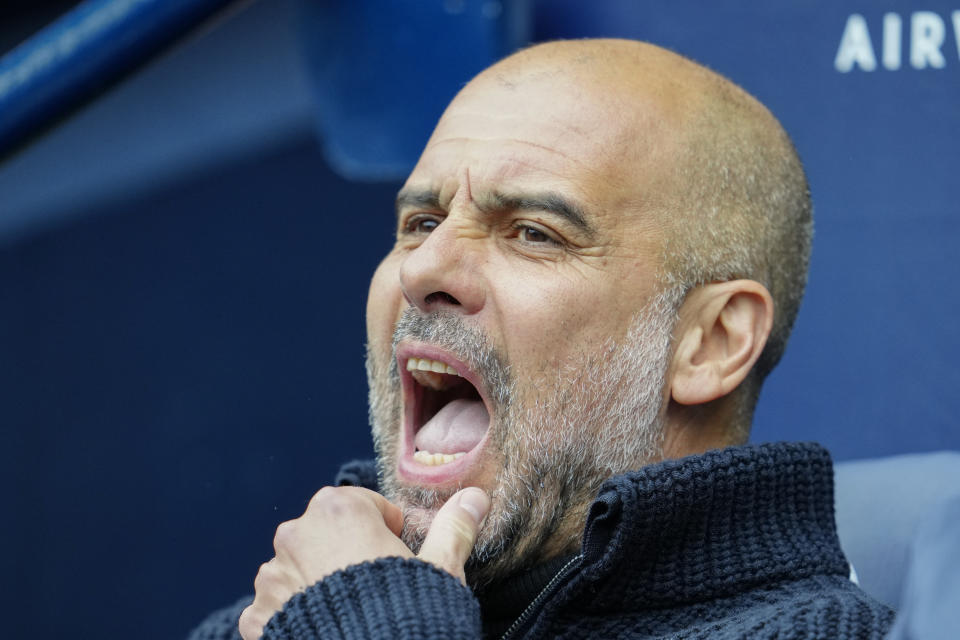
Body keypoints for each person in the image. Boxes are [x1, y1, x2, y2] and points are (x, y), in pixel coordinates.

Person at [190, 39, 894, 639]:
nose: (424, 270)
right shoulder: (276, 618)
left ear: (710, 342)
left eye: (533, 233)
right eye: (421, 223)